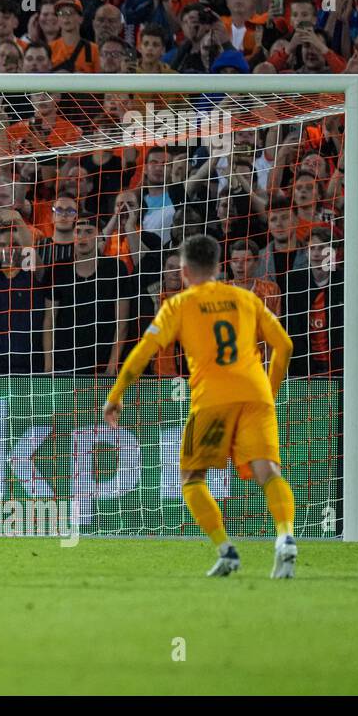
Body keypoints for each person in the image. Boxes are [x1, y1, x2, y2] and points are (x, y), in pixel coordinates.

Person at [102, 234, 297, 579]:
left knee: (192, 478)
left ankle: (227, 550)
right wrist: (270, 390)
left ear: (185, 270)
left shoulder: (179, 304)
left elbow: (143, 353)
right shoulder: (245, 298)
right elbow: (284, 345)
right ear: (219, 267)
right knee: (268, 470)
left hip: (212, 399)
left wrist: (115, 394)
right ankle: (284, 536)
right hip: (256, 394)